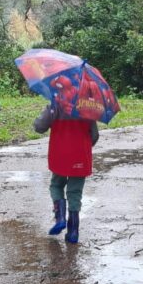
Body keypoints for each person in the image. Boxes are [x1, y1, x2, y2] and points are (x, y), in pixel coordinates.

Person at [34, 101, 99, 244]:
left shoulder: (56, 105)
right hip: (80, 156)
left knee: (56, 185)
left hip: (60, 155)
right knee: (75, 192)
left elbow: (39, 127)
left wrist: (41, 117)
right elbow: (94, 136)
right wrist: (84, 145)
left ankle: (60, 217)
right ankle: (73, 231)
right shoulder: (88, 107)